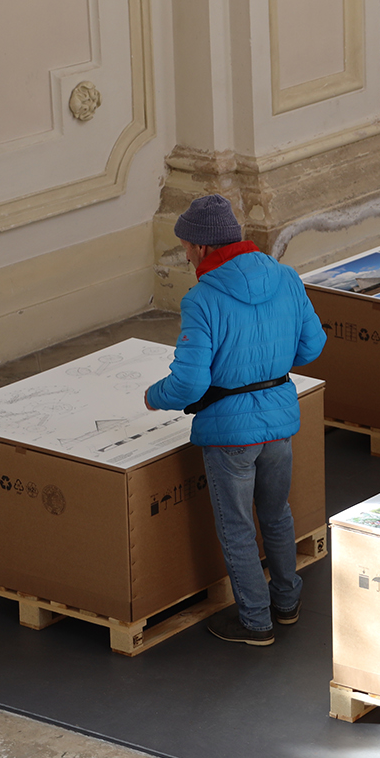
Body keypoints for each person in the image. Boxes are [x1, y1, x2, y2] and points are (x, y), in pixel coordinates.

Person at [145, 194, 327, 647]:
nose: (185, 254)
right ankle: (286, 603)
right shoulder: (285, 277)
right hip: (279, 421)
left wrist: (154, 397)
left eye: (186, 245)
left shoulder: (202, 299)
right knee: (276, 514)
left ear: (204, 248)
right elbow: (312, 346)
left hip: (229, 434)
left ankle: (254, 620)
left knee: (237, 526)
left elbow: (188, 385)